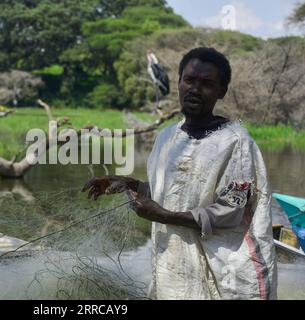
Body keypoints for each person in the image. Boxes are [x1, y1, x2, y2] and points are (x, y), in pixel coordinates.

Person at [82, 47, 277, 300]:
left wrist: (162, 215)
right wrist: (131, 184)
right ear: (178, 83)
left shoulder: (236, 143)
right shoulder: (167, 137)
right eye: (189, 80)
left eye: (207, 83)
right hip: (176, 263)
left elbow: (231, 209)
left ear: (222, 91)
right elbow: (175, 192)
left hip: (226, 270)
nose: (195, 89)